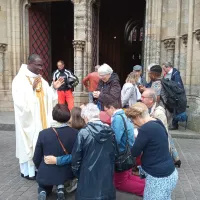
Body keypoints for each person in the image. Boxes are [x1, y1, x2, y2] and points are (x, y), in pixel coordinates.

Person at [12, 54, 64, 180]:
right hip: (29, 121)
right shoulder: (19, 80)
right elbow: (19, 103)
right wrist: (32, 90)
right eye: (38, 65)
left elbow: (49, 98)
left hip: (43, 120)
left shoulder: (41, 79)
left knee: (41, 142)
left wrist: (53, 88)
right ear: (29, 63)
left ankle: (40, 167)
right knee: (29, 143)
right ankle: (29, 171)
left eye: (42, 65)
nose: (41, 68)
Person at [126, 103, 178, 200]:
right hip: (170, 173)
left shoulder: (145, 129)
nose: (133, 123)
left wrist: (136, 139)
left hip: (159, 178)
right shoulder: (157, 122)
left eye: (133, 120)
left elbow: (134, 152)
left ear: (137, 117)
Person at [33, 104, 78, 200]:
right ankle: (60, 188)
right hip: (66, 172)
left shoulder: (43, 133)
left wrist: (40, 167)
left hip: (46, 169)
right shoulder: (75, 133)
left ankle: (43, 191)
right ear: (68, 116)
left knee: (43, 183)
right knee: (60, 176)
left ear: (54, 116)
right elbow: (76, 155)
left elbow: (36, 157)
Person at [72, 103, 116, 200]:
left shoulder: (83, 133)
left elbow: (76, 158)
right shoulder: (110, 131)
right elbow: (114, 153)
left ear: (86, 117)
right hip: (106, 172)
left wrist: (78, 173)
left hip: (87, 174)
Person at [103, 98, 145, 196]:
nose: (106, 113)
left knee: (120, 183)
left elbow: (115, 139)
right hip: (128, 153)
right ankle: (149, 186)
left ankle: (148, 191)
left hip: (122, 154)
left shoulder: (117, 118)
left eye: (106, 110)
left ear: (112, 108)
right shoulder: (123, 115)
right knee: (127, 177)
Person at [141, 88, 181, 167]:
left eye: (143, 97)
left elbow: (161, 134)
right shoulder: (146, 109)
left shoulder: (158, 113)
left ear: (151, 100)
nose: (140, 99)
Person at [162, 62, 186, 130]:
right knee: (171, 109)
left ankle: (174, 125)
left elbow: (177, 86)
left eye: (164, 69)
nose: (164, 70)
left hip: (175, 95)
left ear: (168, 67)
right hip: (170, 95)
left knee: (175, 109)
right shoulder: (167, 74)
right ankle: (172, 124)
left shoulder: (176, 74)